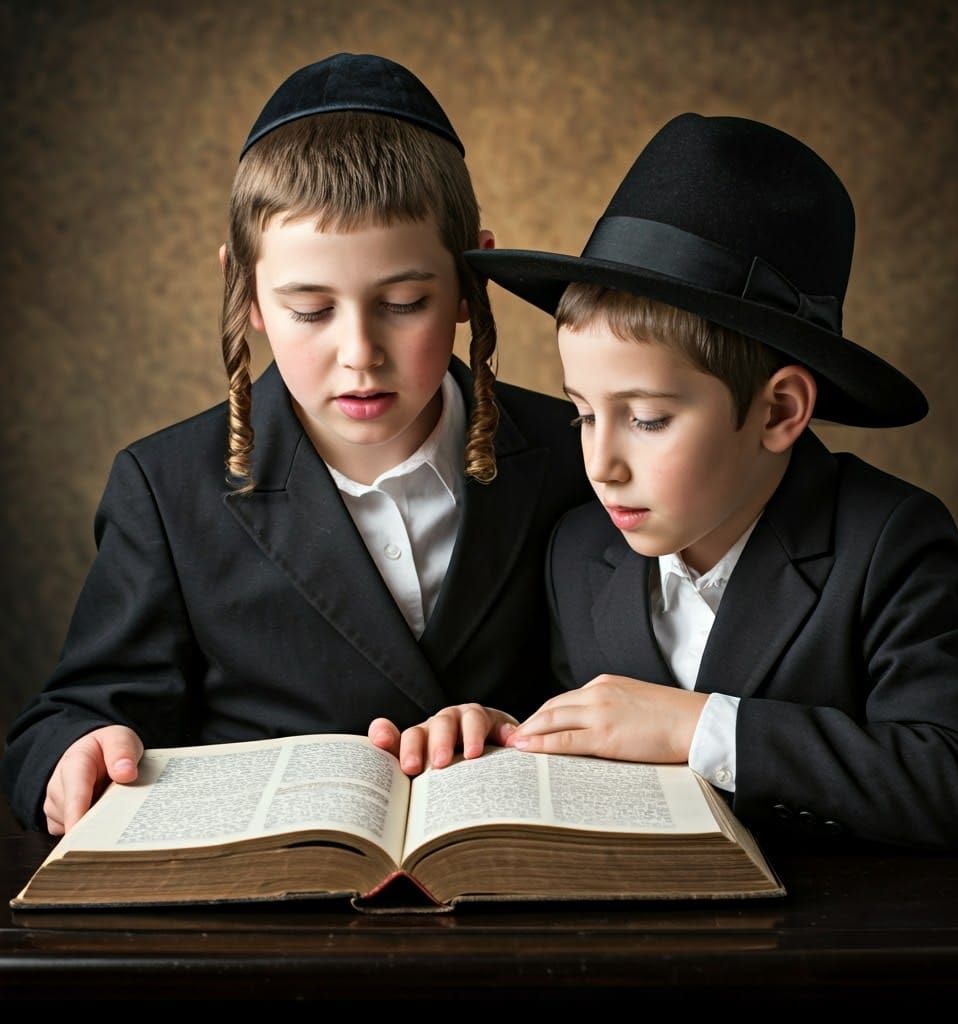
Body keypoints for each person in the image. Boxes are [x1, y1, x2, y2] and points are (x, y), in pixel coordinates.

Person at [374, 113, 958, 851]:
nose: (601, 464)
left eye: (646, 419)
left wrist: (701, 725)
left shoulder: (884, 543)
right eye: (582, 415)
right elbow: (595, 740)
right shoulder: (578, 552)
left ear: (779, 411)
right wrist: (507, 736)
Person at [2, 52, 590, 834]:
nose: (360, 352)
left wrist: (517, 731)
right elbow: (64, 718)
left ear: (469, 283)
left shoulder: (577, 455)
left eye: (405, 302)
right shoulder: (165, 487)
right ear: (244, 290)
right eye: (311, 310)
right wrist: (74, 753)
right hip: (267, 917)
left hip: (511, 889)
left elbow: (627, 688)